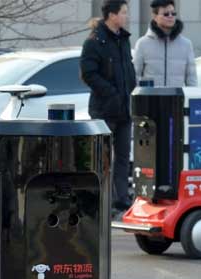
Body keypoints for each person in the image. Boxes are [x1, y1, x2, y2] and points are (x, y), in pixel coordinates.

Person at [80, 0, 136, 213]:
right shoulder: (95, 41)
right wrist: (111, 92)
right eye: (123, 12)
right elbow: (88, 74)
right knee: (103, 160)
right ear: (112, 15)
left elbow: (128, 70)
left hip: (124, 109)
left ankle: (121, 199)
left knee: (123, 157)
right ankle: (102, 202)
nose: (126, 16)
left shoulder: (124, 39)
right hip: (104, 109)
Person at [133, 0, 197, 87]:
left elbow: (191, 78)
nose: (170, 16)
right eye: (166, 14)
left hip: (177, 99)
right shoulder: (142, 44)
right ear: (155, 16)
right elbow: (134, 76)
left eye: (173, 13)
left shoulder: (186, 44)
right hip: (151, 99)